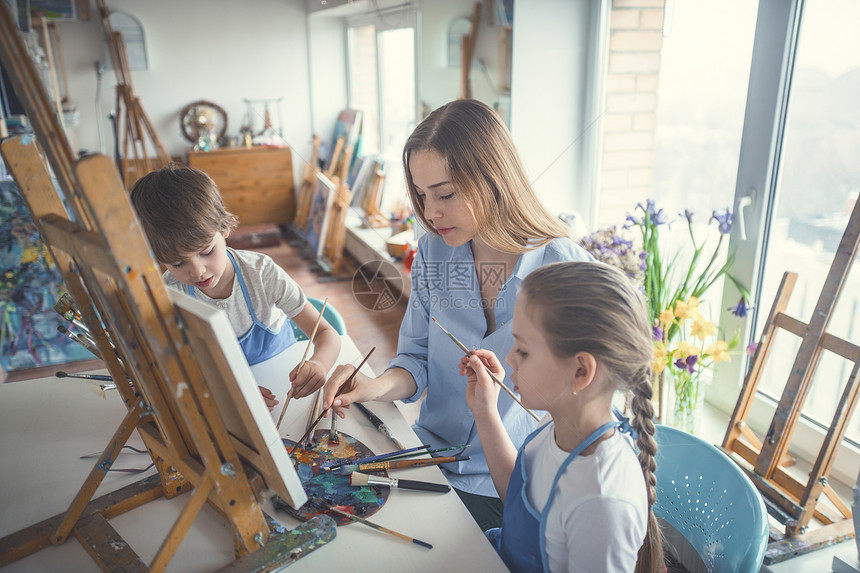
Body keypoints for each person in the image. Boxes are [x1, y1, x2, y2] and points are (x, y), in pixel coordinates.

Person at [322, 99, 593, 531]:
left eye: (445, 194)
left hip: (516, 486)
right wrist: (375, 385)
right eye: (422, 195)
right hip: (429, 459)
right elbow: (415, 360)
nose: (431, 213)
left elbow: (588, 407)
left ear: (494, 180)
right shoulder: (432, 251)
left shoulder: (566, 269)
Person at [459, 261, 663, 573]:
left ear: (580, 371)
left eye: (524, 351)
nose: (510, 357)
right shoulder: (559, 421)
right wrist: (485, 410)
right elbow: (521, 497)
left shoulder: (601, 502)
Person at [130, 164, 341, 409]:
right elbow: (174, 366)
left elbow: (328, 334)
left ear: (225, 228)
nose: (197, 271)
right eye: (177, 263)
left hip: (284, 387)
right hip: (225, 398)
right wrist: (227, 391)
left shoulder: (262, 274)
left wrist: (320, 364)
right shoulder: (168, 294)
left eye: (207, 252)